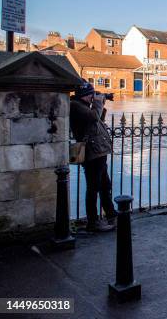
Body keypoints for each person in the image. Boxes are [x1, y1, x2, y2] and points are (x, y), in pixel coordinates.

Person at [70, 81, 117, 232]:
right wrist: (97, 103)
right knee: (94, 187)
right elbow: (93, 117)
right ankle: (93, 222)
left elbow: (97, 122)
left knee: (105, 185)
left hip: (98, 152)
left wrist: (100, 104)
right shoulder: (76, 106)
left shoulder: (85, 108)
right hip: (92, 153)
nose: (93, 96)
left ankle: (111, 215)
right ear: (85, 95)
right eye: (92, 94)